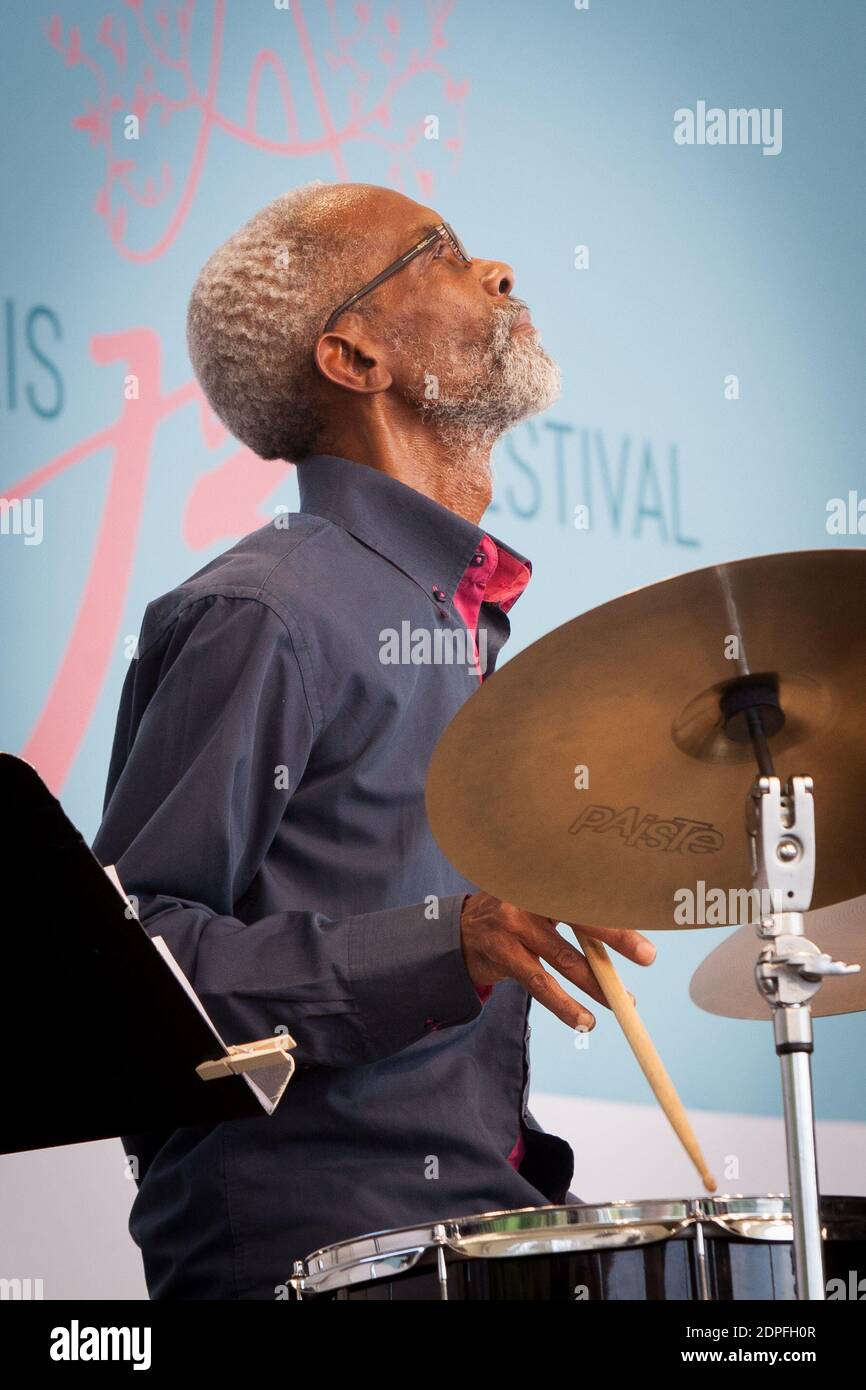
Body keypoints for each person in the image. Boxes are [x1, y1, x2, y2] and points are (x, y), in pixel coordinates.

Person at [93, 181, 657, 1300]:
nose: (496, 270)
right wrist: (440, 943)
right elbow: (135, 970)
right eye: (439, 253)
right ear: (352, 356)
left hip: (490, 1231)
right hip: (319, 1256)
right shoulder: (264, 612)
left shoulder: (466, 615)